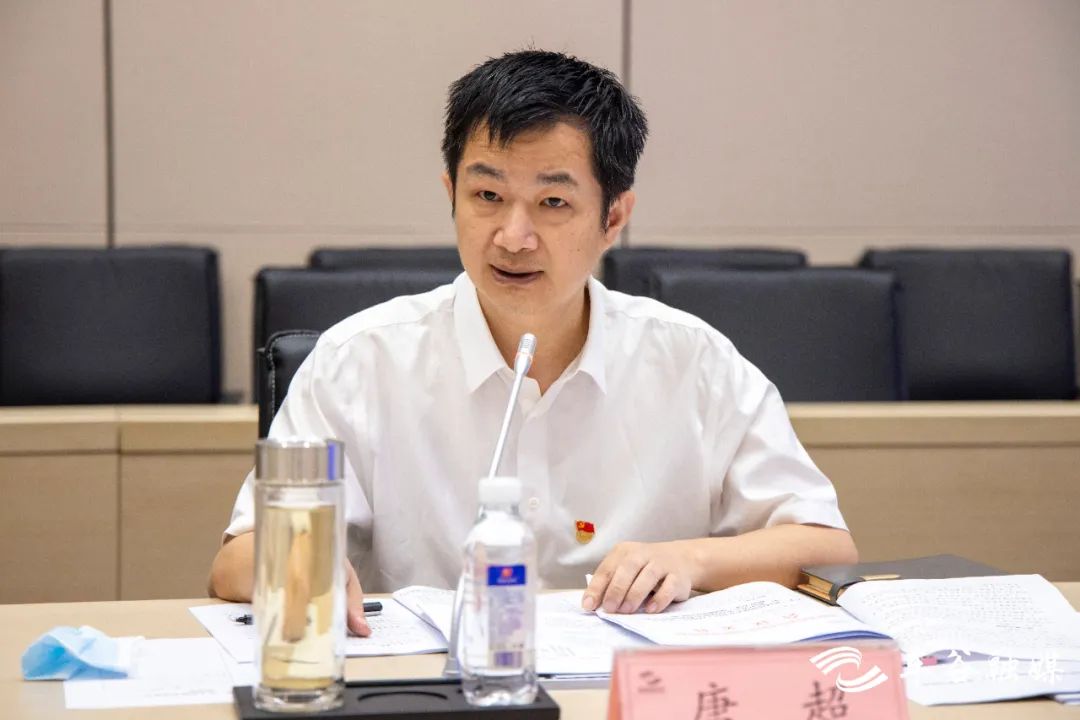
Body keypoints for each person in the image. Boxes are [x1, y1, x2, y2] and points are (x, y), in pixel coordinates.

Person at [209, 49, 857, 637]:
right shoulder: (360, 360)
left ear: (613, 217)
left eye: (552, 203)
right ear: (451, 195)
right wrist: (297, 564)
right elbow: (236, 560)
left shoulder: (695, 362)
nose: (512, 236)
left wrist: (690, 559)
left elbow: (827, 547)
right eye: (487, 195)